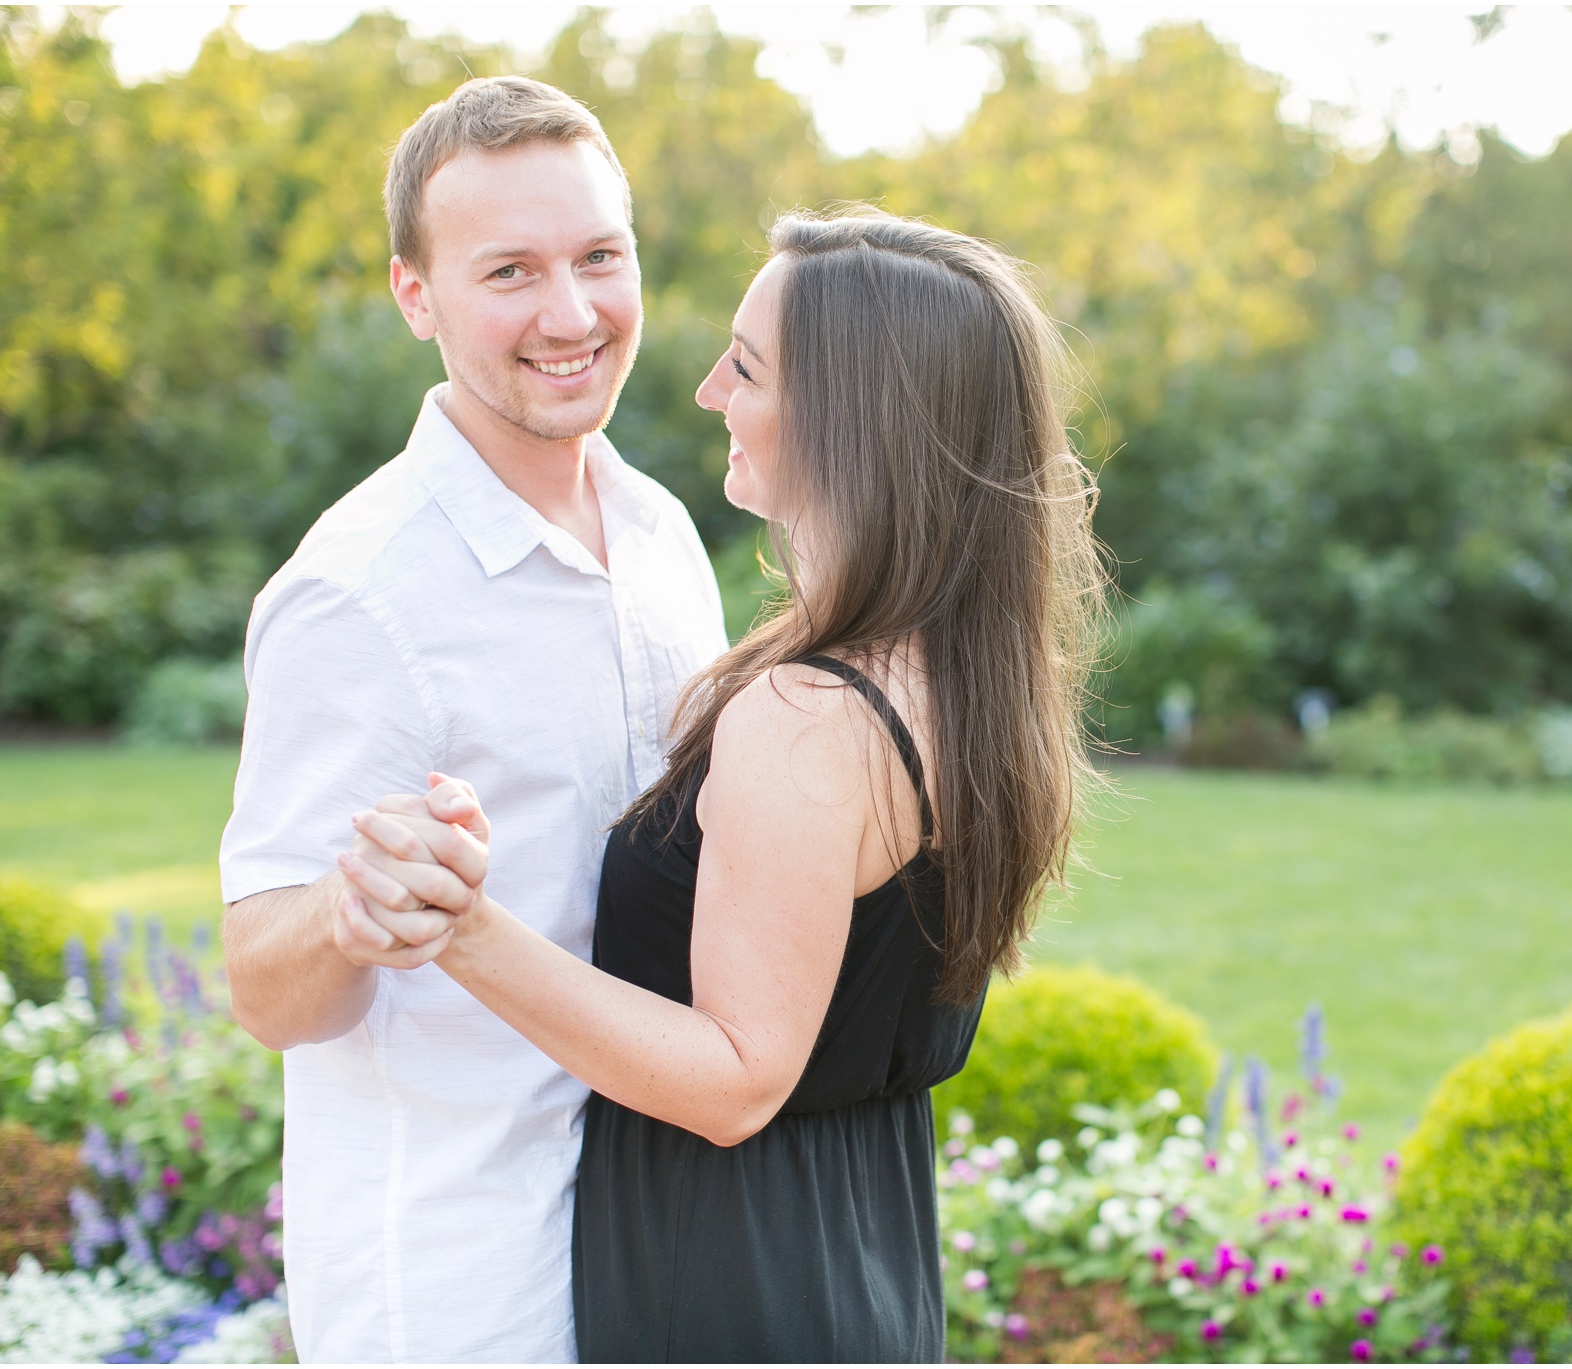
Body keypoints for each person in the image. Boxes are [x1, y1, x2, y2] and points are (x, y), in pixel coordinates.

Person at [338, 207, 1107, 1361]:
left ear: (849, 418)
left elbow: (737, 1077)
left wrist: (461, 927)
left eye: (744, 366)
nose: (706, 391)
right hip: (859, 1247)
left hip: (733, 1278)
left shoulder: (809, 717)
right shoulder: (961, 670)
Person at [218, 77, 726, 1363]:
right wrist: (349, 912)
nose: (570, 315)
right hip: (459, 1286)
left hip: (662, 1250)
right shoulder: (358, 591)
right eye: (508, 272)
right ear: (415, 296)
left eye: (598, 258)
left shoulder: (665, 534)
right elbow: (264, 988)